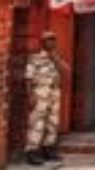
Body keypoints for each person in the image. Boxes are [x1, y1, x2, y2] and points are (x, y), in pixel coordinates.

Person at [25, 31, 68, 166]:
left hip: (54, 92)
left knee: (53, 122)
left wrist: (55, 57)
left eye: (53, 39)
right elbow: (28, 78)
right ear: (42, 42)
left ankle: (48, 149)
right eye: (48, 40)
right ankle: (32, 151)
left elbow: (66, 71)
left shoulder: (56, 57)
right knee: (37, 123)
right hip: (40, 91)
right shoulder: (35, 58)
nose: (51, 42)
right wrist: (30, 95)